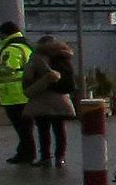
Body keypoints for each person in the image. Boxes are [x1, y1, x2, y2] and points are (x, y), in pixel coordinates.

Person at [22, 37, 77, 168]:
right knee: (59, 129)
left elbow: (28, 77)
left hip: (41, 98)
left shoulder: (37, 57)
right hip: (60, 98)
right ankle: (60, 157)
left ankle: (45, 158)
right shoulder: (64, 58)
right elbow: (70, 82)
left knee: (43, 129)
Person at [0, 21, 35, 164]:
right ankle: (24, 152)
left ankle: (26, 155)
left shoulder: (11, 49)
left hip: (14, 94)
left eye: (0, 33)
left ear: (6, 33)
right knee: (26, 127)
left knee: (22, 128)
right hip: (24, 92)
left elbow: (8, 69)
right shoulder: (25, 45)